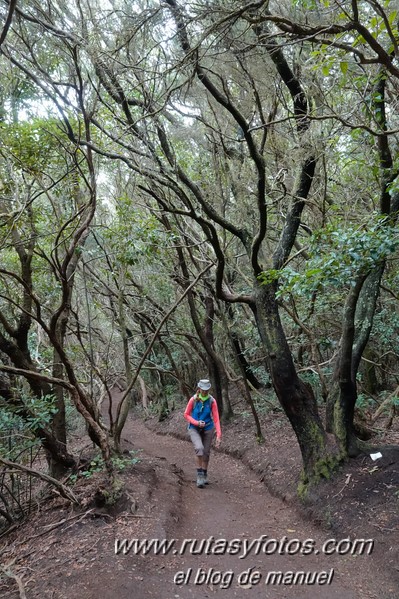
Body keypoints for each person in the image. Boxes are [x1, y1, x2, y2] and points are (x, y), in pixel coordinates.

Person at [184, 379, 222, 488]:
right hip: (194, 428)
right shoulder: (193, 400)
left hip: (208, 428)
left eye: (207, 390)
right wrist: (196, 422)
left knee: (206, 452)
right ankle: (199, 475)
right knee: (199, 448)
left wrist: (219, 435)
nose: (204, 392)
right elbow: (186, 414)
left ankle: (205, 473)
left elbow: (216, 419)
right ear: (199, 389)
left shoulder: (211, 401)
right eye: (203, 390)